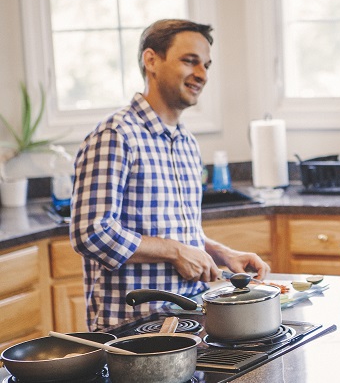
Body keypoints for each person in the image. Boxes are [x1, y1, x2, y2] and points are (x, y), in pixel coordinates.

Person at [70, 19, 271, 331]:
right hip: (133, 330)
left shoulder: (186, 142)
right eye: (189, 61)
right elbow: (92, 234)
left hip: (189, 319)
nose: (202, 75)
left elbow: (175, 231)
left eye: (205, 65)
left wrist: (221, 254)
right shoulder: (116, 135)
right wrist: (176, 252)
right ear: (152, 60)